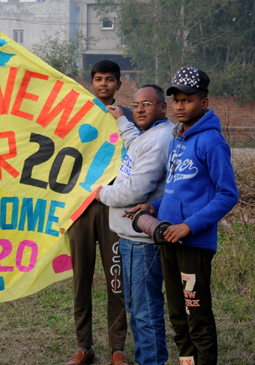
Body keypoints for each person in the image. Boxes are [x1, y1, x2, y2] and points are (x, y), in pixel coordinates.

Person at [128, 67, 239, 365]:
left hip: (193, 245)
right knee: (177, 314)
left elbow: (228, 194)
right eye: (175, 100)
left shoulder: (211, 142)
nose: (179, 106)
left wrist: (189, 226)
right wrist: (154, 207)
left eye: (187, 100)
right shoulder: (178, 137)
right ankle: (186, 362)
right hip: (168, 240)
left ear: (204, 102)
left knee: (197, 316)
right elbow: (180, 190)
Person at [96, 85, 174, 365]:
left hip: (142, 244)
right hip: (131, 238)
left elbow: (135, 191)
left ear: (163, 107)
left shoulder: (160, 139)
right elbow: (135, 146)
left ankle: (151, 362)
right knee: (138, 307)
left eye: (147, 104)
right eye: (136, 104)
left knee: (144, 311)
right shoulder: (149, 136)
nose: (139, 109)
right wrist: (121, 119)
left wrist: (101, 192)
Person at [64, 60, 132, 365]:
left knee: (115, 279)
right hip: (79, 208)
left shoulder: (127, 117)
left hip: (113, 209)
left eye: (109, 80)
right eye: (98, 79)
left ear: (118, 84)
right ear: (90, 83)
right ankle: (84, 346)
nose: (103, 84)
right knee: (81, 281)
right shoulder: (76, 115)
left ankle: (117, 348)